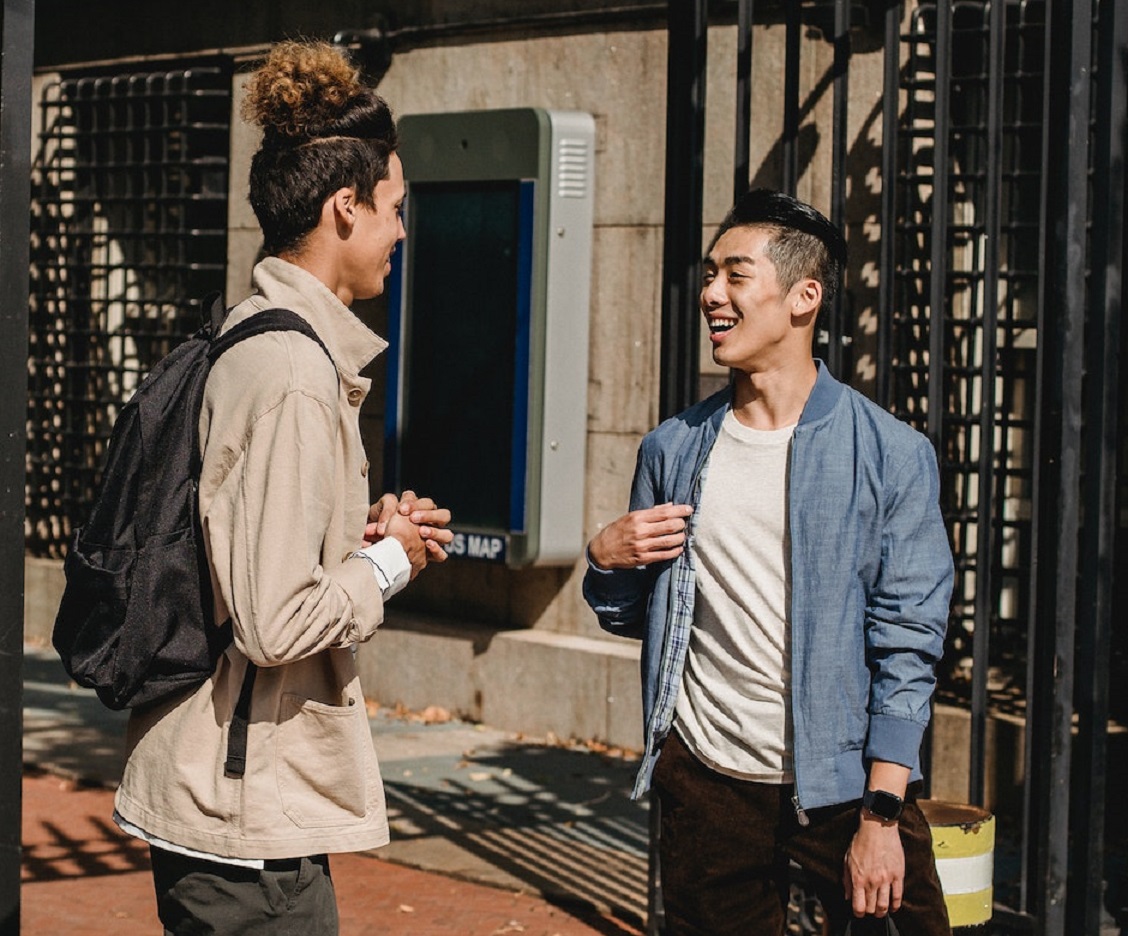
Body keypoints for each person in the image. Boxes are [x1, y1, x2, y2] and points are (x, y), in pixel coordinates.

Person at [111, 40, 452, 935]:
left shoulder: (255, 337)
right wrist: (387, 566)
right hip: (244, 819)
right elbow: (274, 620)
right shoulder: (295, 374)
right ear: (346, 207)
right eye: (394, 207)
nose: (401, 232)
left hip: (236, 802)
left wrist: (368, 541)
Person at [583, 189, 954, 935]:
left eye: (735, 275)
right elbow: (634, 616)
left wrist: (883, 813)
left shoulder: (890, 455)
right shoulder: (674, 448)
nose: (711, 294)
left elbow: (908, 642)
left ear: (803, 297)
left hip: (846, 783)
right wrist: (605, 557)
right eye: (709, 275)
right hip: (708, 782)